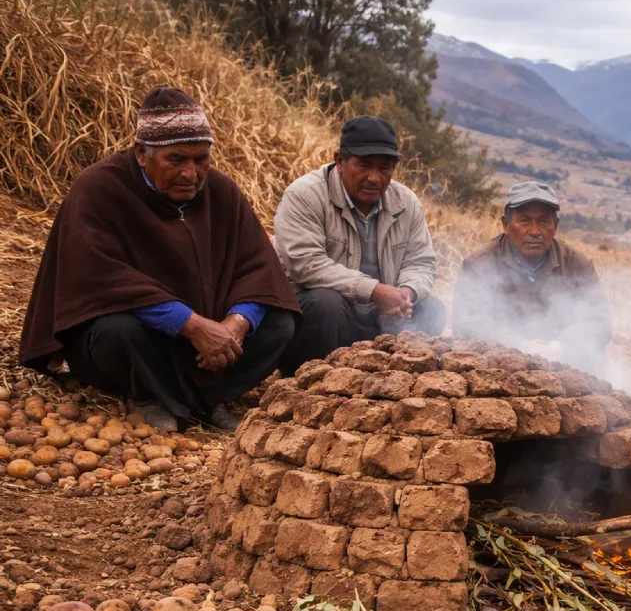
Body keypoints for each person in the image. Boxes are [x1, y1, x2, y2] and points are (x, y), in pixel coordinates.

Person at [19, 86, 300, 433]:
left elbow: (258, 268)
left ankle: (209, 398)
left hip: (212, 343)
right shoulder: (97, 189)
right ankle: (148, 395)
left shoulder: (221, 191)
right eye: (176, 159)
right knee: (116, 331)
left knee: (278, 323)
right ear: (141, 153)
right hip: (142, 336)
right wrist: (192, 325)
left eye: (201, 160)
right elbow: (98, 274)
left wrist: (234, 326)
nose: (191, 173)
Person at [274, 116, 444, 374]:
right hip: (328, 322)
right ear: (340, 161)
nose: (374, 178)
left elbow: (420, 261)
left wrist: (404, 296)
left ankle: (391, 380)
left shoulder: (405, 201)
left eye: (384, 168)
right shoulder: (305, 195)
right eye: (364, 166)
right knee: (325, 304)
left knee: (431, 309)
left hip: (381, 320)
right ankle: (307, 381)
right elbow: (305, 264)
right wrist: (375, 291)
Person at [452, 182, 611, 374]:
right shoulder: (479, 263)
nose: (535, 231)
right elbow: (468, 321)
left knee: (593, 358)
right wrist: (518, 344)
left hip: (563, 364)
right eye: (525, 221)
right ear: (506, 225)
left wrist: (561, 347)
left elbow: (598, 321)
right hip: (499, 367)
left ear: (555, 226)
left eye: (544, 221)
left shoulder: (577, 263)